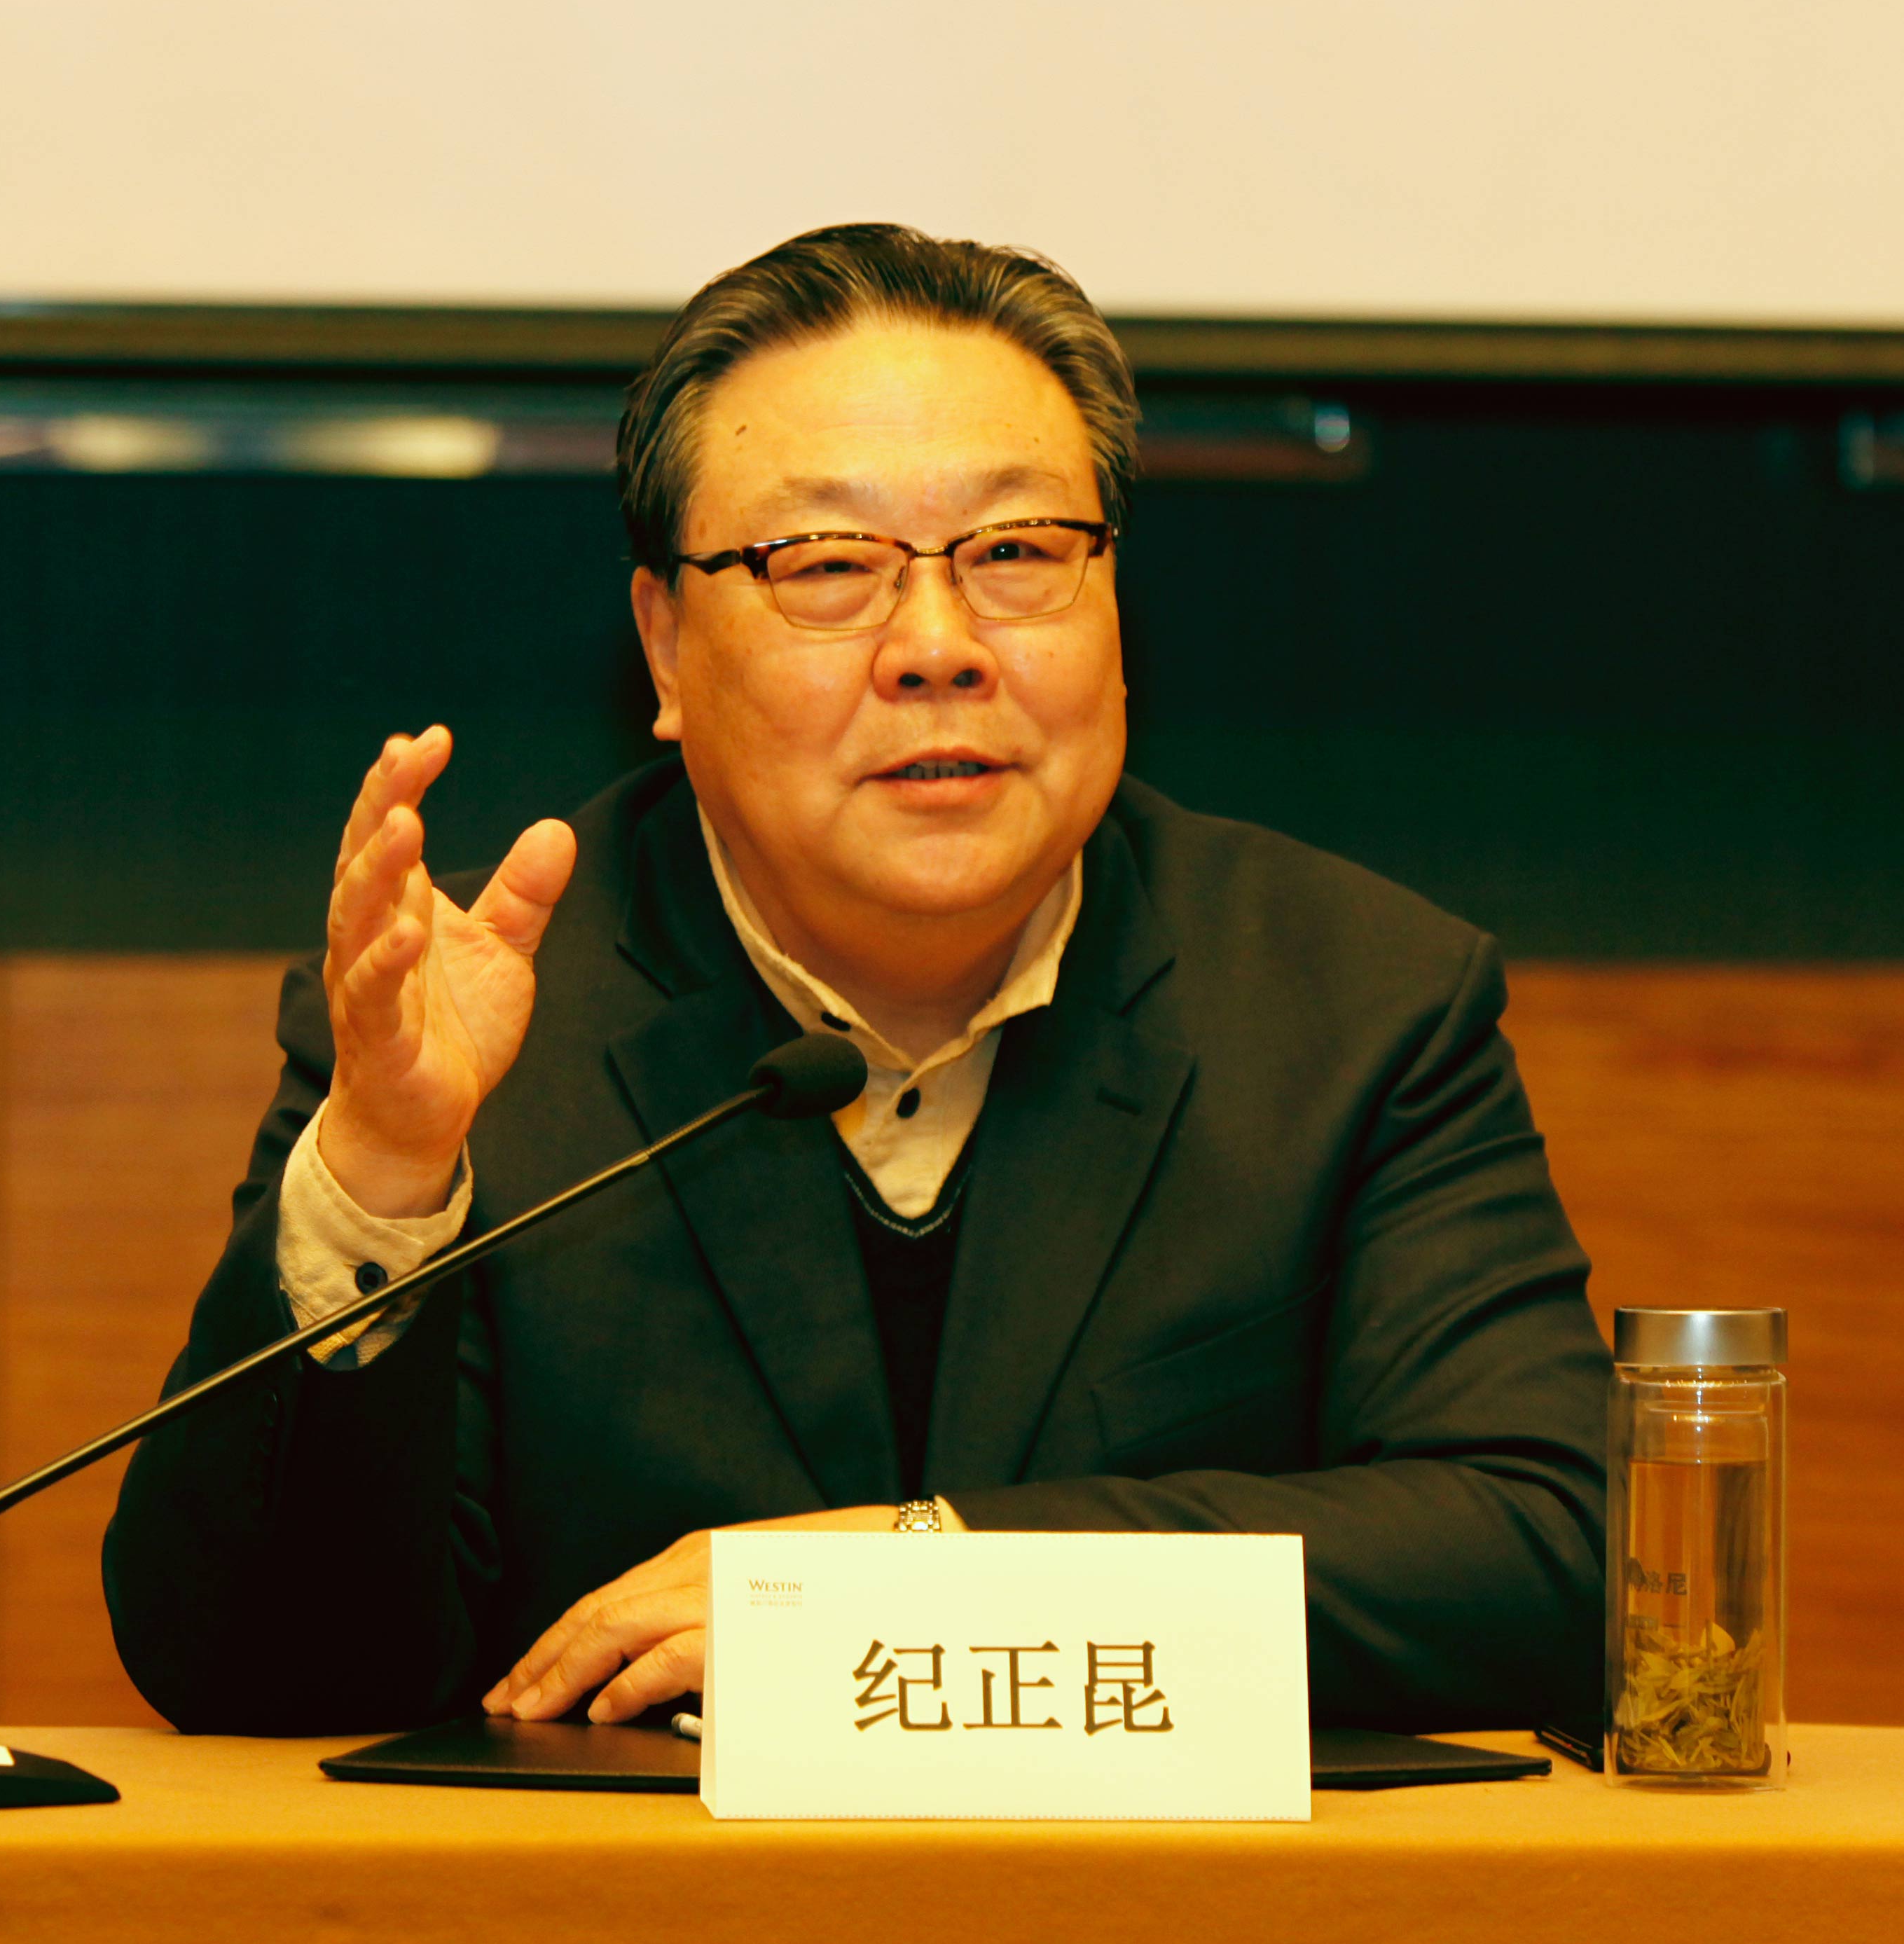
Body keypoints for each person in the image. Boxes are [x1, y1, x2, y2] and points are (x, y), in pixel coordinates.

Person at [104, 223, 1613, 1739]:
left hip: (1161, 1897)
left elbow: (1549, 1558)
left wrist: (916, 1579)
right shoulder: (486, 1023)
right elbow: (255, 1673)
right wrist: (385, 1173)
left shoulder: (1351, 1005)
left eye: (1016, 554)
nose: (938, 647)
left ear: (1114, 607)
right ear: (667, 649)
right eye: (827, 566)